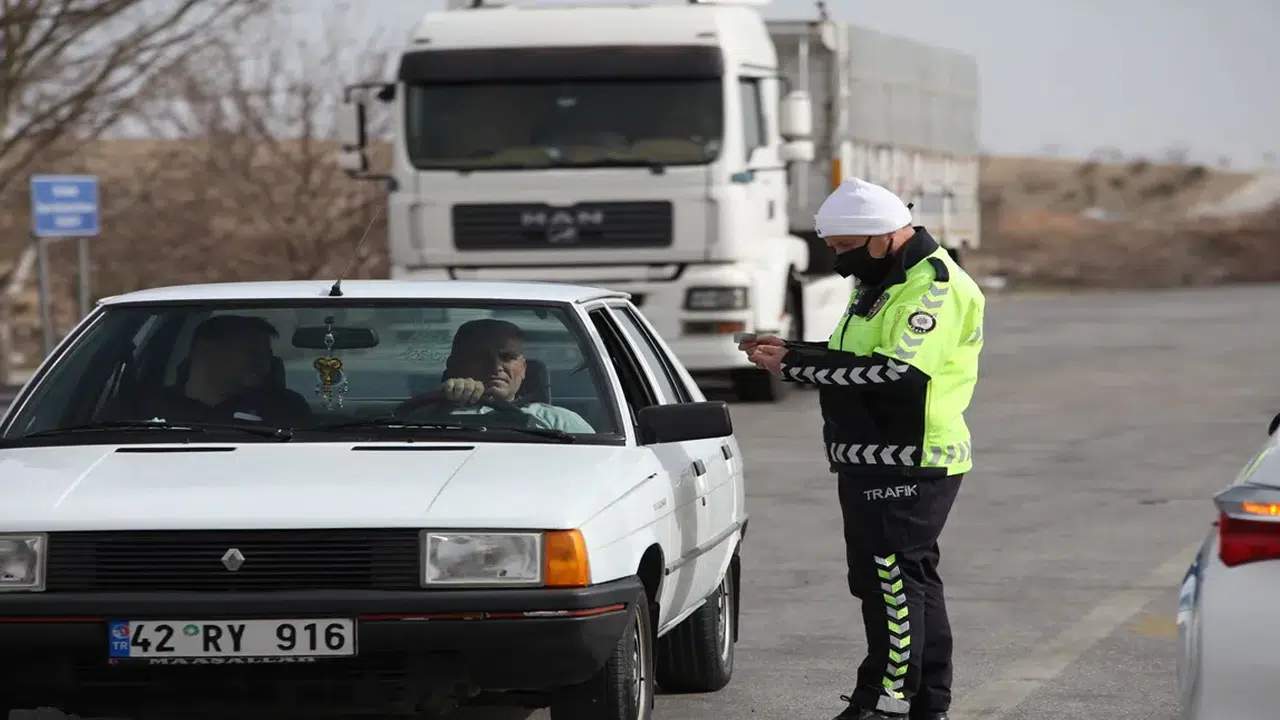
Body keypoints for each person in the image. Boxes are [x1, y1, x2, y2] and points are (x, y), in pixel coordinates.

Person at [739, 178, 985, 720]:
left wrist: (797, 367)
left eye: (848, 249)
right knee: (910, 579)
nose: (842, 263)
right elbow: (858, 353)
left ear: (884, 237)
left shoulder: (932, 288)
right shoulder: (882, 281)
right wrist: (796, 350)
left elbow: (899, 371)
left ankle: (883, 703)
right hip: (873, 456)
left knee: (890, 583)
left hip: (912, 458)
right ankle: (927, 704)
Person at [139, 315, 313, 427]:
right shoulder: (142, 409)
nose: (263, 362)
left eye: (266, 355)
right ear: (206, 352)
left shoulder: (285, 408)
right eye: (251, 353)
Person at [438, 318, 596, 433]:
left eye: (507, 358)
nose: (496, 367)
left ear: (524, 368)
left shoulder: (558, 421)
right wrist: (443, 404)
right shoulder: (422, 415)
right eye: (481, 358)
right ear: (454, 365)